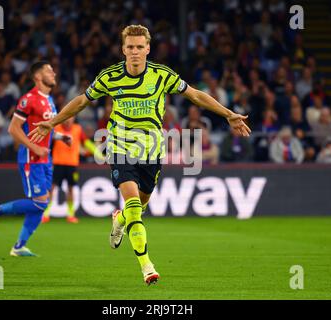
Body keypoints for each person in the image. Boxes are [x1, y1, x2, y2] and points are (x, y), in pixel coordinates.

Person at [29, 25, 251, 284]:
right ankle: (147, 266)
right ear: (123, 49)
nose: (134, 52)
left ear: (148, 48)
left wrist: (228, 114)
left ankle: (118, 218)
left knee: (138, 206)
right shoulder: (110, 77)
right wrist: (53, 122)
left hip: (152, 152)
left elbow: (196, 95)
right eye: (130, 47)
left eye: (139, 47)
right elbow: (81, 101)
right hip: (120, 148)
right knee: (134, 207)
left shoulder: (161, 75)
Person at [0, 61, 69, 257]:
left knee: (41, 204)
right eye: (48, 70)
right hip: (32, 157)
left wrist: (61, 137)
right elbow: (13, 129)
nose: (53, 72)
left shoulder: (49, 100)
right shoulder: (28, 99)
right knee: (40, 203)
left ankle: (19, 246)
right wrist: (34, 147)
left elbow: (45, 129)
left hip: (45, 158)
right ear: (37, 77)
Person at [41, 116, 104, 224]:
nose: (67, 120)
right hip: (58, 163)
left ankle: (70, 214)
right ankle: (46, 214)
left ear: (73, 118)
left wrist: (98, 154)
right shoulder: (56, 129)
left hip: (72, 164)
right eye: (66, 118)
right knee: (51, 188)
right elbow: (47, 143)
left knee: (70, 189)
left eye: (70, 118)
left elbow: (86, 143)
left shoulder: (78, 129)